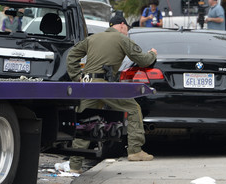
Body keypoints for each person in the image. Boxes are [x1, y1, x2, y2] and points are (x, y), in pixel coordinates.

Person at [67, 13, 158, 173]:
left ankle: (75, 165)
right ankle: (135, 150)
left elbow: (72, 56)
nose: (127, 32)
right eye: (127, 29)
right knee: (133, 108)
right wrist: (153, 54)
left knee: (85, 121)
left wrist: (77, 77)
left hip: (88, 85)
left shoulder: (92, 38)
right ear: (122, 25)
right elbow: (143, 60)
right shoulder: (121, 39)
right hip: (104, 85)